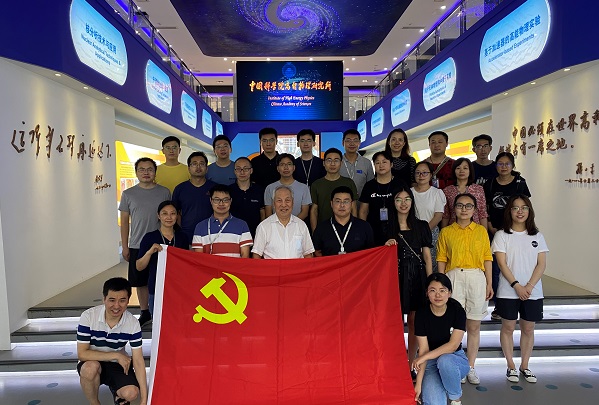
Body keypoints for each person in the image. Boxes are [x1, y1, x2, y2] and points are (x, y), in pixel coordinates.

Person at [436, 193, 493, 385]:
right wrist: (442, 284)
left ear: (475, 210)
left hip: (477, 276)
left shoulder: (481, 231)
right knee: (454, 326)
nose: (464, 209)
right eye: (460, 205)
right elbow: (441, 258)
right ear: (454, 209)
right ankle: (456, 365)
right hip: (453, 278)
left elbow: (487, 258)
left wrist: (489, 283)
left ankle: (471, 366)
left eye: (469, 206)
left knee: (474, 325)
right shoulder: (446, 232)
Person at [492, 195, 548, 384]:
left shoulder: (537, 236)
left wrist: (529, 286)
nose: (520, 211)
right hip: (508, 291)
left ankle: (525, 366)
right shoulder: (501, 235)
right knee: (508, 327)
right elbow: (502, 264)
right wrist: (517, 286)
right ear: (509, 211)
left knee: (528, 328)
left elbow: (541, 264)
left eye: (524, 207)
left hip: (533, 291)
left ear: (529, 211)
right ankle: (510, 366)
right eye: (515, 208)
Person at [77, 277, 147, 405]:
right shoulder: (88, 317)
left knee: (131, 393)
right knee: (89, 369)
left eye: (122, 300)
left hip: (116, 364)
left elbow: (138, 361)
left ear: (128, 301)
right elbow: (82, 354)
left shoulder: (133, 323)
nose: (116, 306)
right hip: (93, 361)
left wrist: (144, 400)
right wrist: (116, 355)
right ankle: (95, 403)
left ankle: (117, 391)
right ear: (104, 299)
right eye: (112, 300)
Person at [384, 186, 433, 369]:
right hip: (395, 277)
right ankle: (395, 362)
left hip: (418, 276)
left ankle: (411, 361)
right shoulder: (386, 227)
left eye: (407, 199)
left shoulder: (422, 226)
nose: (403, 203)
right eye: (398, 199)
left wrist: (430, 282)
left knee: (414, 321)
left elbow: (426, 256)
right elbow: (380, 257)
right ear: (393, 203)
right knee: (395, 322)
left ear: (412, 202)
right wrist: (386, 246)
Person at [119, 157, 170, 327]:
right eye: (142, 169)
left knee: (160, 278)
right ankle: (145, 311)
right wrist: (125, 246)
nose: (146, 172)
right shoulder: (128, 194)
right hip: (136, 243)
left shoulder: (164, 192)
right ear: (136, 172)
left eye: (150, 169)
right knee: (140, 281)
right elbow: (124, 222)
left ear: (155, 172)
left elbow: (170, 215)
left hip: (160, 244)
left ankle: (162, 309)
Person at [484, 151, 531, 319]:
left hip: (516, 232)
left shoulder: (520, 183)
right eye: (500, 164)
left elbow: (526, 206)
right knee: (497, 268)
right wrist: (490, 226)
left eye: (507, 164)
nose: (503, 167)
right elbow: (485, 207)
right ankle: (499, 306)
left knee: (514, 265)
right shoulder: (490, 183)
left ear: (512, 166)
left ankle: (519, 301)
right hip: (495, 231)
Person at [413, 273, 470, 405]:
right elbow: (424, 350)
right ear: (427, 293)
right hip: (430, 362)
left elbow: (453, 346)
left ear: (449, 293)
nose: (438, 295)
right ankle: (442, 384)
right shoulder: (421, 314)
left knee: (445, 361)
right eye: (433, 290)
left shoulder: (457, 310)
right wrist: (418, 385)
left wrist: (423, 357)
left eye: (442, 290)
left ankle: (455, 399)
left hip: (455, 359)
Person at [136, 200, 189, 315]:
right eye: (165, 213)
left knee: (178, 320)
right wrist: (150, 252)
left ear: (177, 216)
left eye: (172, 213)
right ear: (158, 216)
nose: (169, 217)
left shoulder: (182, 237)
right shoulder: (149, 237)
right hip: (156, 289)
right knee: (158, 322)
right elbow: (139, 266)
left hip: (178, 289)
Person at [252, 186, 314, 259]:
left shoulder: (301, 225)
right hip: (273, 267)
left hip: (297, 267)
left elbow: (308, 254)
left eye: (287, 200)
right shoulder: (263, 227)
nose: (284, 205)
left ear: (293, 202)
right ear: (273, 204)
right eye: (279, 200)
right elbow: (256, 255)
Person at [359, 151, 406, 246]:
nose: (381, 165)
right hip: (373, 230)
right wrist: (363, 230)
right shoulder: (369, 186)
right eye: (377, 163)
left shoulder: (400, 184)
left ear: (391, 164)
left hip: (396, 228)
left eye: (384, 162)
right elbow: (363, 211)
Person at [192, 184, 253, 257]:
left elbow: (245, 256)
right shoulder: (200, 227)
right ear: (211, 200)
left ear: (231, 201)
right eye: (217, 200)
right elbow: (199, 258)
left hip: (233, 265)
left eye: (225, 200)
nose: (221, 204)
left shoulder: (242, 225)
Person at [312, 186, 375, 256]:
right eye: (338, 201)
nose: (342, 205)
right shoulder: (321, 228)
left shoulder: (364, 227)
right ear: (331, 204)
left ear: (351, 204)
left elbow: (371, 253)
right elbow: (317, 252)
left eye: (346, 201)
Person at [172, 152, 216, 243]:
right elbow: (176, 212)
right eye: (194, 164)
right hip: (186, 237)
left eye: (202, 164)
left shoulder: (215, 188)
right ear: (189, 168)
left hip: (212, 237)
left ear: (207, 168)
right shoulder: (180, 189)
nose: (198, 167)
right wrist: (181, 230)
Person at [310, 148, 357, 232]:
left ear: (341, 163)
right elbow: (314, 210)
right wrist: (315, 232)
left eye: (336, 160)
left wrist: (354, 229)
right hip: (323, 230)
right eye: (329, 160)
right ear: (324, 163)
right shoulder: (316, 184)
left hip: (346, 229)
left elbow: (353, 207)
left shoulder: (349, 183)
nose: (332, 164)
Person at [411, 161, 446, 273]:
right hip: (412, 233)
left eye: (425, 173)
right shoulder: (409, 193)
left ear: (431, 175)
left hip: (431, 232)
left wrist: (424, 231)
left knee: (431, 266)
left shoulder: (437, 193)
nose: (421, 175)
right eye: (418, 173)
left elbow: (438, 216)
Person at [441, 158, 488, 229]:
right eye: (458, 168)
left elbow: (482, 214)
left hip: (475, 230)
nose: (461, 171)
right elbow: (446, 215)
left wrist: (484, 232)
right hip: (454, 229)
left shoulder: (478, 189)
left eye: (465, 168)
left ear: (470, 171)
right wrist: (443, 232)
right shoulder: (447, 191)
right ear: (454, 171)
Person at [264, 153, 311, 220]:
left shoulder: (304, 188)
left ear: (294, 167)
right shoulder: (269, 188)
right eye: (282, 164)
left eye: (289, 164)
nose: (286, 167)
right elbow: (268, 213)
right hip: (275, 225)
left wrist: (292, 224)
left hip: (297, 225)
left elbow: (305, 212)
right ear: (278, 168)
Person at [229, 157, 265, 237]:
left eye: (245, 169)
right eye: (238, 169)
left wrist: (261, 232)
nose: (242, 172)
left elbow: (262, 213)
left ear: (251, 171)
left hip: (255, 234)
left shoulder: (259, 190)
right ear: (235, 171)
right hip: (233, 234)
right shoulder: (229, 191)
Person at [339, 129, 374, 200]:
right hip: (341, 203)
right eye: (348, 140)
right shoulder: (338, 162)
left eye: (355, 140)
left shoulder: (366, 163)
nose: (352, 144)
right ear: (343, 143)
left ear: (359, 143)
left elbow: (371, 185)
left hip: (362, 203)